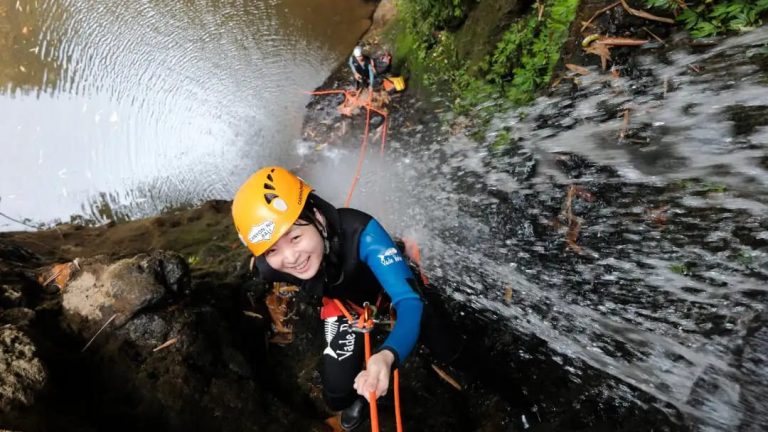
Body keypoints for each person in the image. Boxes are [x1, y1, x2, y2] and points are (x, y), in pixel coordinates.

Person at [233, 166, 455, 430]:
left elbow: (408, 301)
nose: (291, 258)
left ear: (317, 216)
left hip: (390, 290)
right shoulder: (270, 267)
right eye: (272, 250)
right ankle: (362, 400)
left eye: (295, 237)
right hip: (346, 307)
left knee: (451, 350)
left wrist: (386, 356)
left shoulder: (362, 233)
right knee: (337, 395)